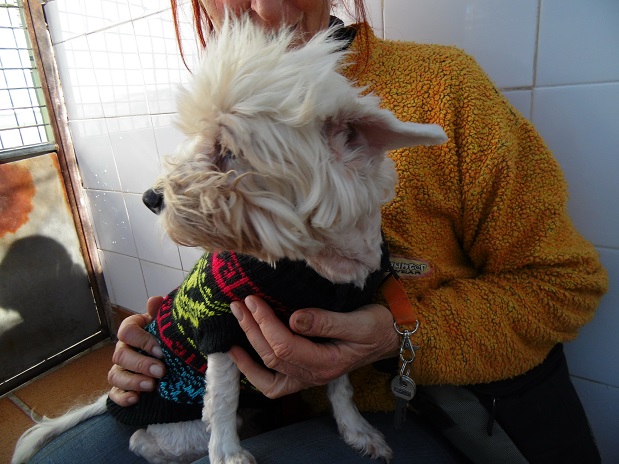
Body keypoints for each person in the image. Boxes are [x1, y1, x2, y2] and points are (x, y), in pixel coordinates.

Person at [30, 1, 608, 463]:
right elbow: (230, 275)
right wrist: (164, 342)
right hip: (256, 399)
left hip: (425, 409)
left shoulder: (443, 87)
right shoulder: (225, 102)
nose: (268, 8)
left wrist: (398, 337)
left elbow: (565, 283)